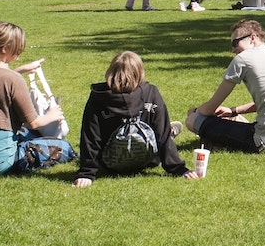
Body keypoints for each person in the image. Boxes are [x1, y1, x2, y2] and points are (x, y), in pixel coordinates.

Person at [0, 21, 73, 175]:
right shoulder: (13, 79)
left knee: (27, 135)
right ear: (5, 49)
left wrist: (20, 70)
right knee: (63, 148)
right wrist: (53, 114)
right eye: (18, 48)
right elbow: (34, 123)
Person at [184, 19, 265, 156]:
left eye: (235, 43)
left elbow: (209, 109)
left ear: (252, 38)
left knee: (193, 119)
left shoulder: (243, 59)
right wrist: (233, 111)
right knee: (235, 119)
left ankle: (214, 142)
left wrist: (194, 111)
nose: (232, 50)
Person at [74, 51, 188, 187]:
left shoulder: (98, 97)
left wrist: (87, 173)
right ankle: (173, 130)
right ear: (139, 73)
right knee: (166, 129)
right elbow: (162, 133)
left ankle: (173, 130)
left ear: (111, 72)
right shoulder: (151, 92)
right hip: (147, 160)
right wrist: (178, 169)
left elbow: (91, 136)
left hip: (109, 164)